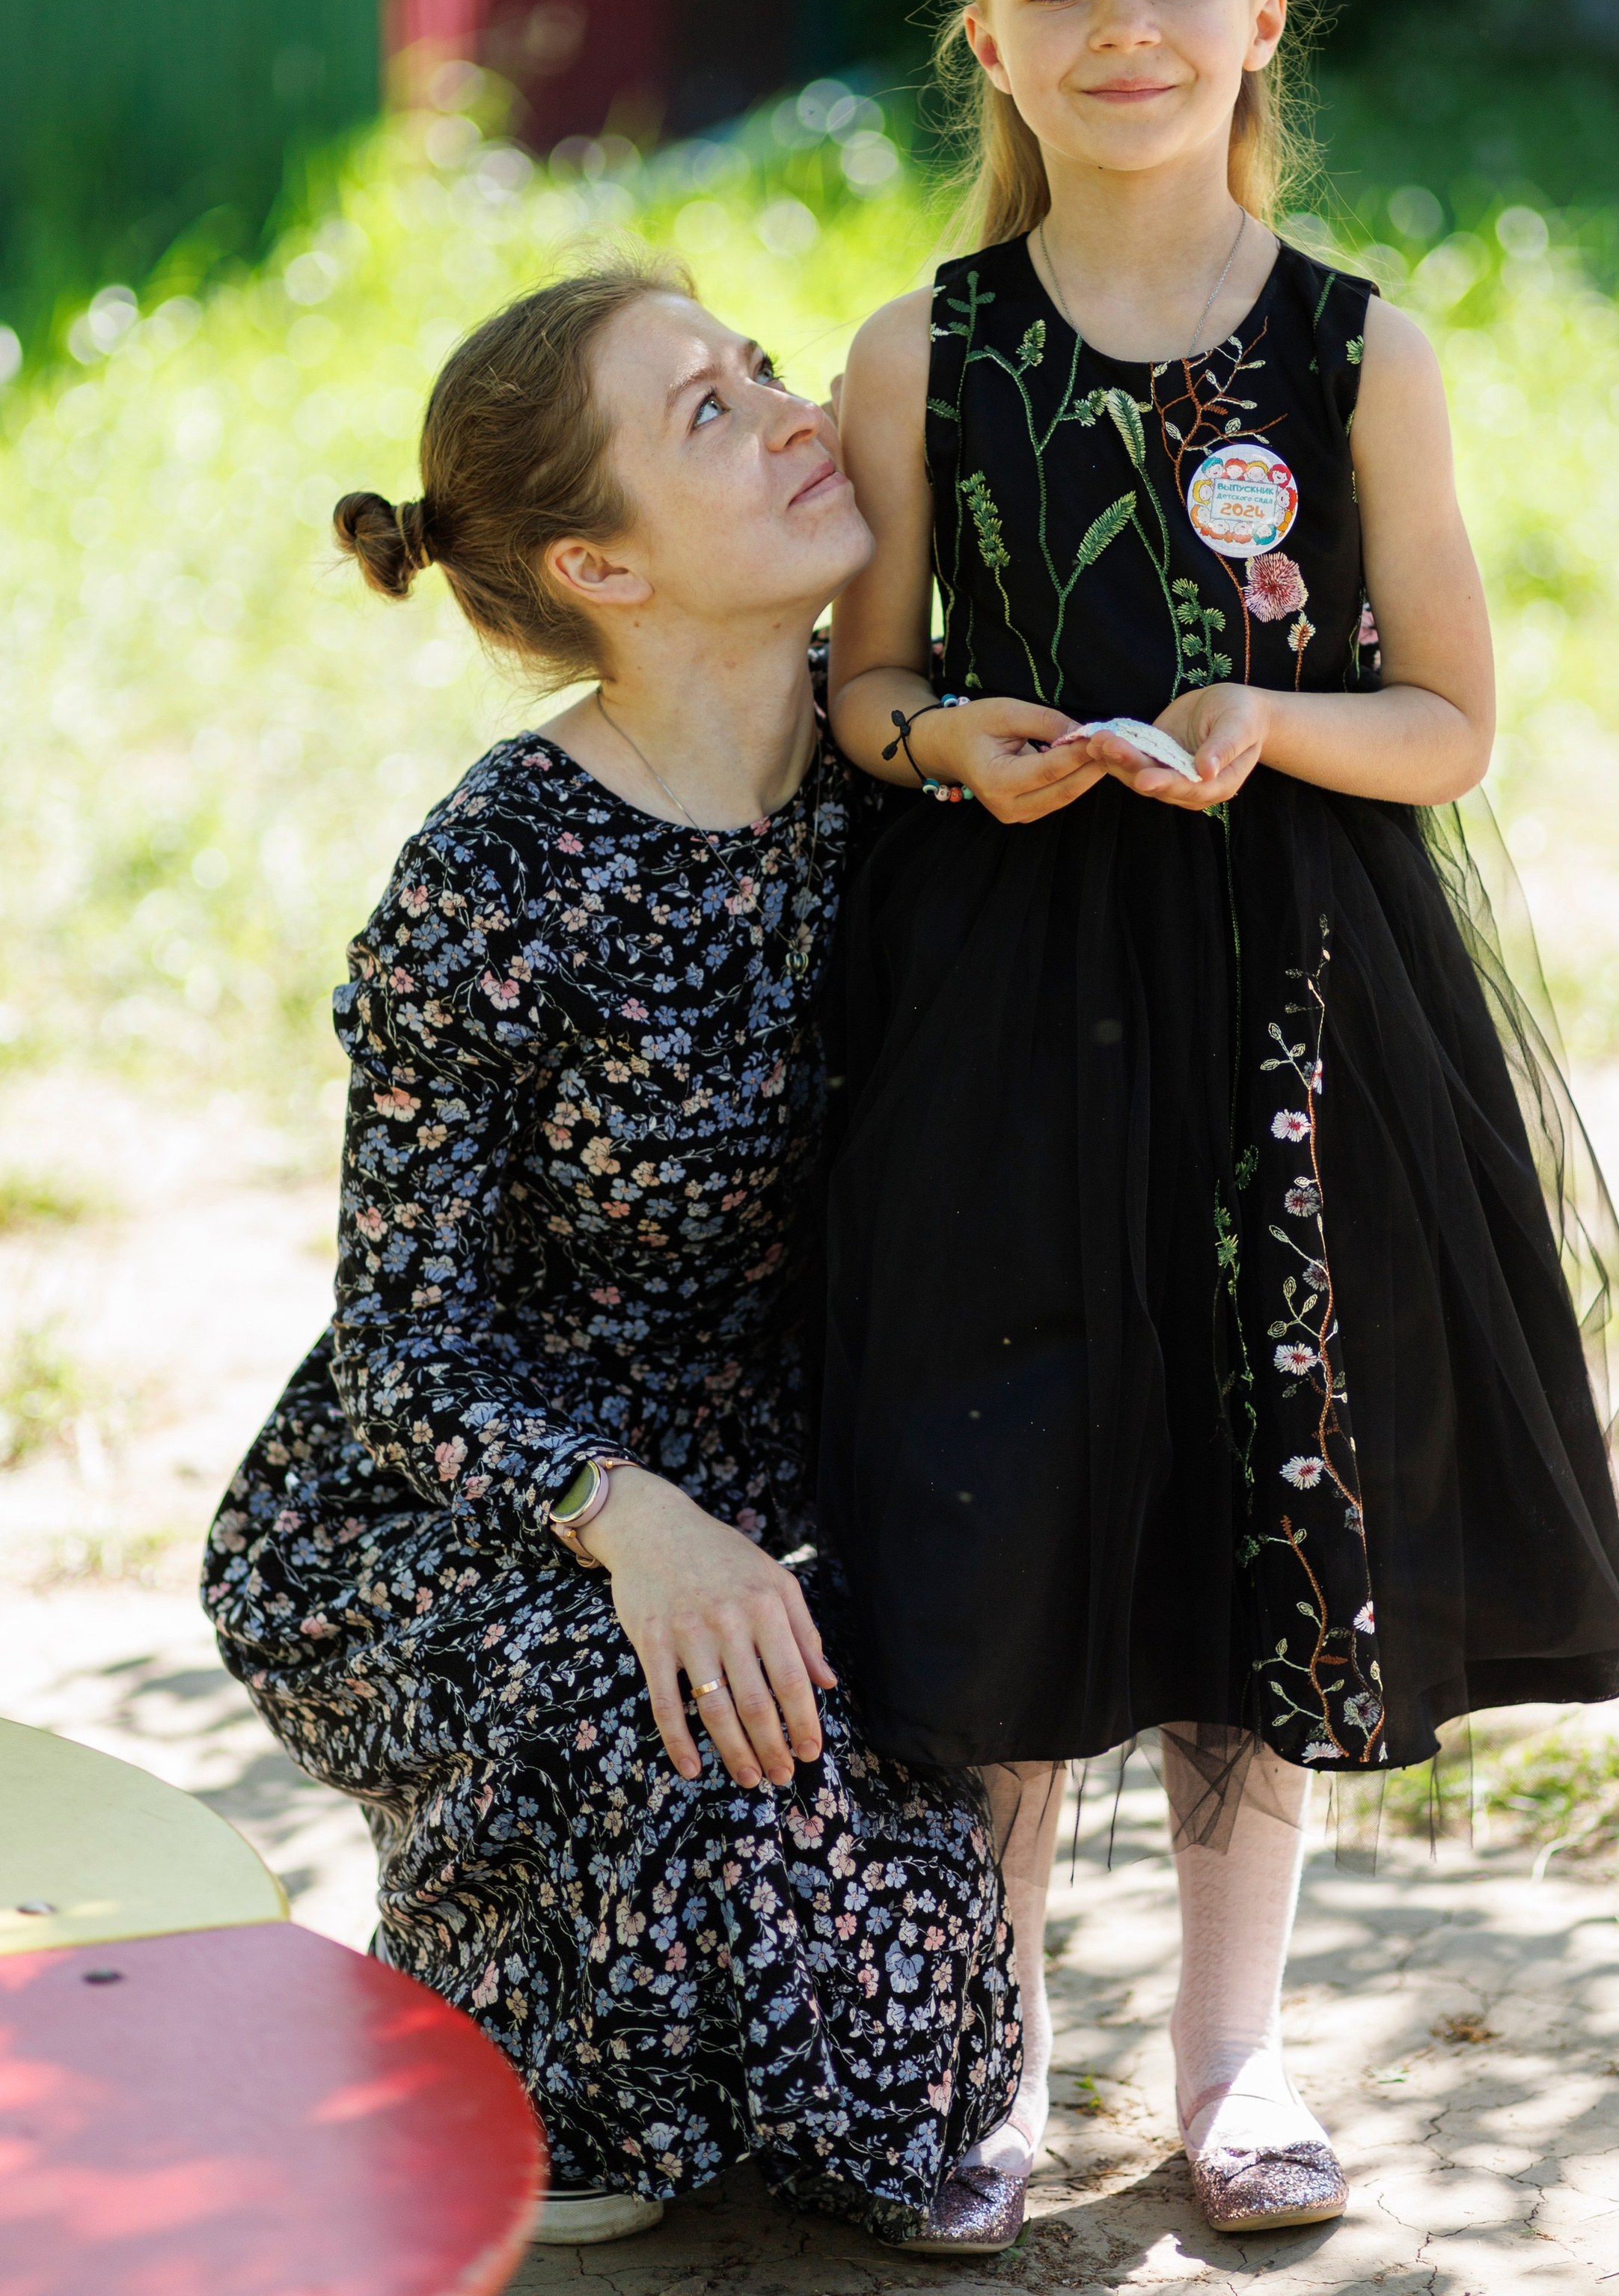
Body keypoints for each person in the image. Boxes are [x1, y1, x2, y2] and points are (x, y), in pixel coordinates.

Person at [821, 0, 1619, 2235]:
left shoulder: (1356, 348)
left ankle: (1234, 2053)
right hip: (993, 1009)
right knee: (1006, 1495)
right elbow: (861, 692)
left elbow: (1453, 727)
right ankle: (992, 2061)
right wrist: (954, 741)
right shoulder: (925, 352)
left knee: (1259, 1503)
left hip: (1292, 1004)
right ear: (983, 34)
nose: (1123, 26)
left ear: (1260, 14)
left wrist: (1267, 728)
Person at [202, 259, 1020, 2253]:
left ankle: (624, 1996)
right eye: (709, 418)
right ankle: (489, 2000)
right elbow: (403, 1349)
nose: (788, 407)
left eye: (754, 365)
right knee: (619, 2104)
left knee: (892, 2097)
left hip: (781, 1496)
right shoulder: (497, 876)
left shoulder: (894, 791)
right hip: (465, 1517)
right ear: (605, 567)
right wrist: (622, 1517)